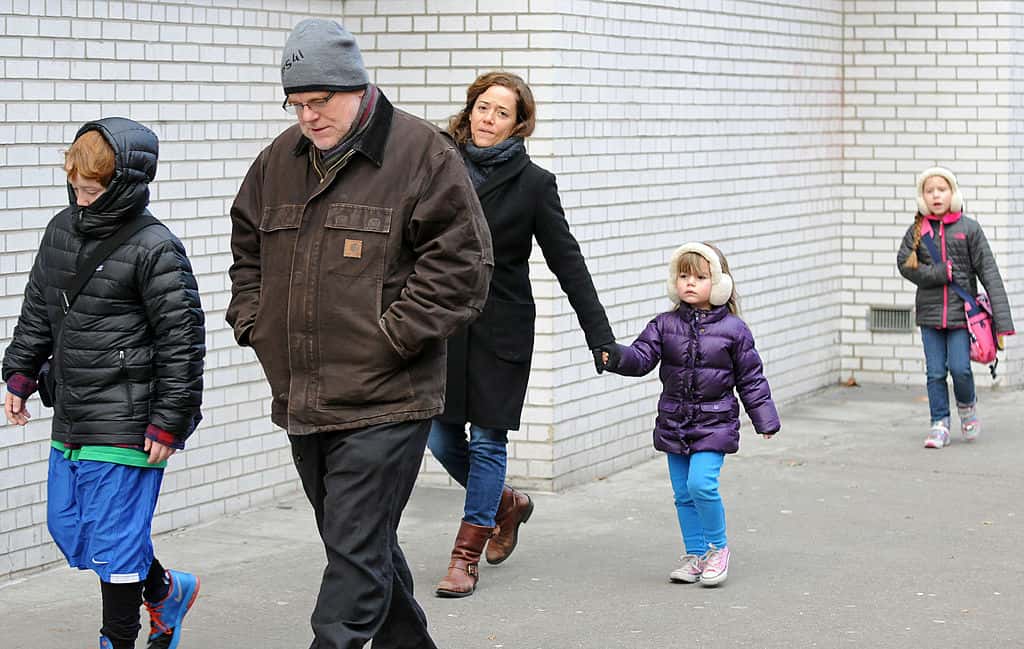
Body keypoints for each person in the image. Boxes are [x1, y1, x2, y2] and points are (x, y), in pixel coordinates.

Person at [225, 19, 493, 649]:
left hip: (388, 400)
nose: (308, 117)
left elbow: (463, 268)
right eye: (295, 104)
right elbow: (247, 251)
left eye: (319, 101)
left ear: (355, 86)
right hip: (304, 397)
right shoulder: (277, 162)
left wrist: (391, 338)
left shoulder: (422, 155)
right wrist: (254, 321)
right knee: (360, 545)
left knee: (352, 553)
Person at [2, 118, 205, 649]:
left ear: (123, 185)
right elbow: (38, 309)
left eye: (92, 191)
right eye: (76, 188)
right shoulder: (60, 230)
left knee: (113, 546)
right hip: (73, 411)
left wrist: (169, 421)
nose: (81, 199)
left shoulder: (156, 247)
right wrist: (20, 374)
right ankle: (165, 590)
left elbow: (182, 341)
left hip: (129, 419)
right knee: (72, 529)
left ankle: (118, 638)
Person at [429, 71, 617, 598]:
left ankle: (465, 557)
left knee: (488, 439)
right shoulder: (440, 166)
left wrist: (599, 336)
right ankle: (507, 504)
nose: (488, 120)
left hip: (502, 326)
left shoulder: (534, 184)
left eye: (501, 113)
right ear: (470, 110)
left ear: (518, 125)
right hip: (445, 324)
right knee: (439, 435)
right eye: (482, 108)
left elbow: (567, 261)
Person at [600, 242, 779, 587]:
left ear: (720, 283)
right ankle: (696, 554)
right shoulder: (664, 325)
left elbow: (751, 378)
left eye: (700, 277)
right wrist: (616, 356)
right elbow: (641, 357)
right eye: (683, 276)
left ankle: (718, 549)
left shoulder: (734, 330)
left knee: (701, 485)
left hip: (715, 422)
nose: (690, 283)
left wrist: (764, 419)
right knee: (683, 493)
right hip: (674, 422)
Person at [897, 166, 1014, 449]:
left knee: (961, 369)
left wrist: (1003, 321)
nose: (936, 195)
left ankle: (967, 407)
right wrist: (937, 273)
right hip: (930, 315)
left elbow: (989, 272)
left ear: (953, 193)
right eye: (929, 191)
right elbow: (905, 264)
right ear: (923, 197)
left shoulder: (969, 229)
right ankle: (939, 423)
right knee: (935, 373)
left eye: (942, 189)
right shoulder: (918, 230)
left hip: (963, 316)